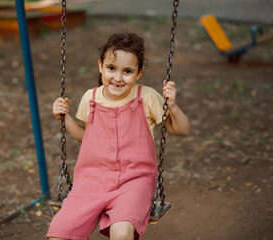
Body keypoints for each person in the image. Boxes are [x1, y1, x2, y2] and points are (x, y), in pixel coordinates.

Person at [47, 32, 190, 240]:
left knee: (121, 232)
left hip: (134, 182)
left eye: (127, 71)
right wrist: (65, 119)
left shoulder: (147, 97)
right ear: (100, 66)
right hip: (90, 182)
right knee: (59, 232)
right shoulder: (91, 98)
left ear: (139, 73)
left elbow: (182, 129)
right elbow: (87, 137)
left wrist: (173, 107)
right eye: (111, 68)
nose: (118, 77)